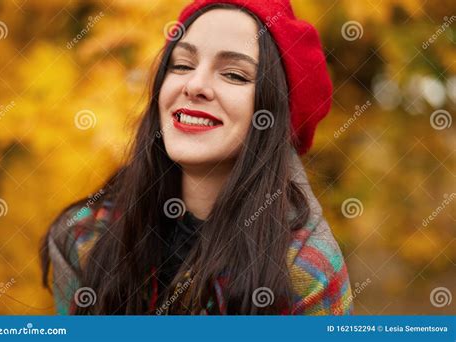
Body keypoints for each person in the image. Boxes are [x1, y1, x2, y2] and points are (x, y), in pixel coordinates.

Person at [40, 0, 353, 315]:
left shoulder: (307, 271)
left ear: (272, 115)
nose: (195, 85)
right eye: (182, 65)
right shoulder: (84, 236)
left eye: (233, 74)